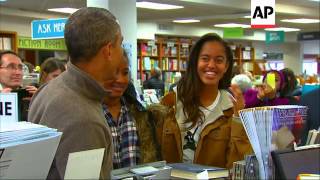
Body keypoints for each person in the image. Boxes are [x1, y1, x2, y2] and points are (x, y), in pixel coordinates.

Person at [28, 7, 123, 179]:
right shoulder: (83, 118)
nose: (122, 53)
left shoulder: (48, 90)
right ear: (108, 50)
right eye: (120, 44)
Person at [155, 33, 252, 168]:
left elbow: (236, 166)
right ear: (195, 61)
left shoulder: (231, 110)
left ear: (226, 66)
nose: (211, 65)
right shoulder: (171, 102)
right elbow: (155, 156)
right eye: (205, 58)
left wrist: (239, 121)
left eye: (219, 60)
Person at [103, 52, 160, 169]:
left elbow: (150, 159)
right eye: (112, 72)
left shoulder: (138, 114)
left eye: (125, 73)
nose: (120, 80)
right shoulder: (90, 114)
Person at [0, 50, 38, 121]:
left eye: (20, 68)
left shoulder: (30, 95)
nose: (18, 72)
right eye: (11, 67)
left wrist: (41, 100)